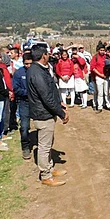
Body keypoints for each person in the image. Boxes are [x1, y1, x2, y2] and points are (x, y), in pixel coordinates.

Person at [27, 46, 68, 187]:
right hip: (43, 114)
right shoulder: (36, 72)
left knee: (48, 143)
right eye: (47, 54)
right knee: (44, 146)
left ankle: (50, 167)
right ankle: (46, 175)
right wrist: (61, 114)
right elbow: (46, 97)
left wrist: (59, 102)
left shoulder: (40, 70)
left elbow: (51, 90)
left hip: (45, 112)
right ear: (43, 56)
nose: (49, 55)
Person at [13, 53, 33, 160]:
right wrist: (28, 92)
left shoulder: (38, 72)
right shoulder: (19, 73)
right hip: (24, 102)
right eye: (26, 64)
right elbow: (16, 89)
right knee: (24, 126)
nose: (28, 66)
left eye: (30, 63)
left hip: (37, 103)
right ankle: (25, 147)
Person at [90, 44, 110, 113]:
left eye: (103, 50)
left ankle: (108, 105)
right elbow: (93, 68)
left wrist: (106, 74)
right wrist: (100, 75)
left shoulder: (107, 57)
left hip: (106, 76)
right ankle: (100, 106)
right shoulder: (95, 57)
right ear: (98, 50)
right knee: (100, 92)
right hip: (99, 77)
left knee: (106, 92)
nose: (102, 51)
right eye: (101, 50)